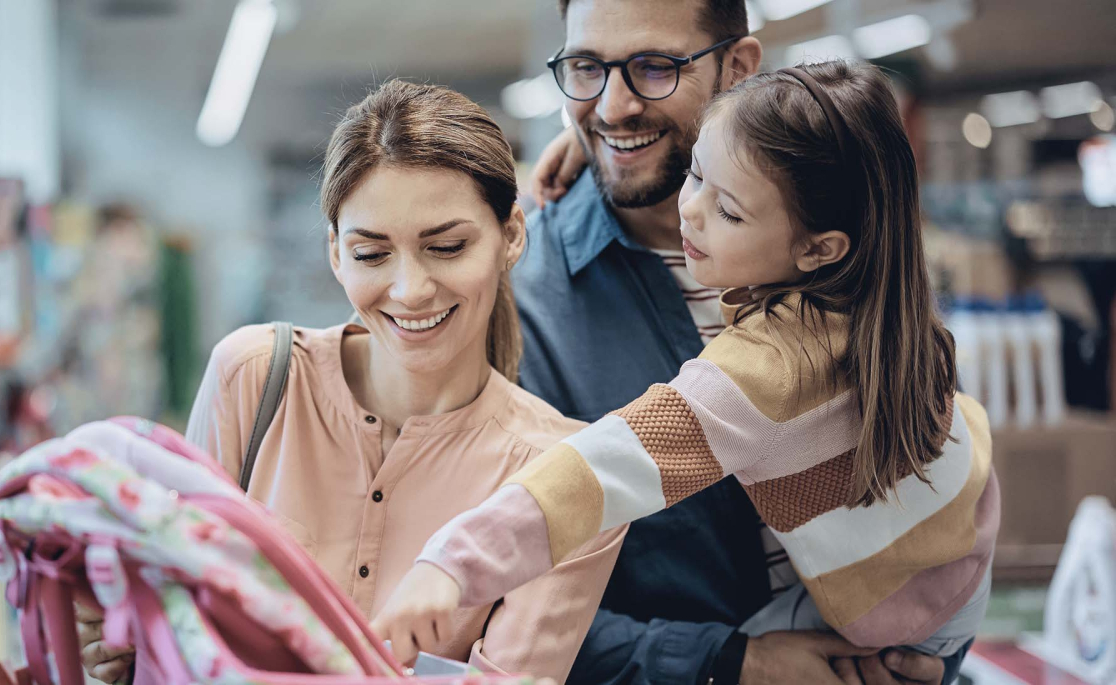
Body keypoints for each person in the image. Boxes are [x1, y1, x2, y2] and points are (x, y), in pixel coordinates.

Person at [376, 59, 997, 685]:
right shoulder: (884, 293)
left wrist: (450, 564)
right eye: (695, 171)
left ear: (818, 248)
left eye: (727, 210)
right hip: (961, 550)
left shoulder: (770, 369)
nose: (690, 211)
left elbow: (599, 469)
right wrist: (594, 154)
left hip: (902, 619)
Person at [74, 79, 627, 683]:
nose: (410, 289)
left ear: (511, 235)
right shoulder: (254, 379)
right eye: (371, 254)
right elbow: (175, 621)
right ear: (335, 252)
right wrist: (126, 648)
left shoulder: (566, 479)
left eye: (446, 246)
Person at [505, 2, 965, 684]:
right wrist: (728, 663)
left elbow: (928, 466)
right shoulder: (525, 301)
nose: (614, 106)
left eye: (654, 67)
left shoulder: (839, 244)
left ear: (739, 66)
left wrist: (934, 653)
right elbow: (502, 608)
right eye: (586, 67)